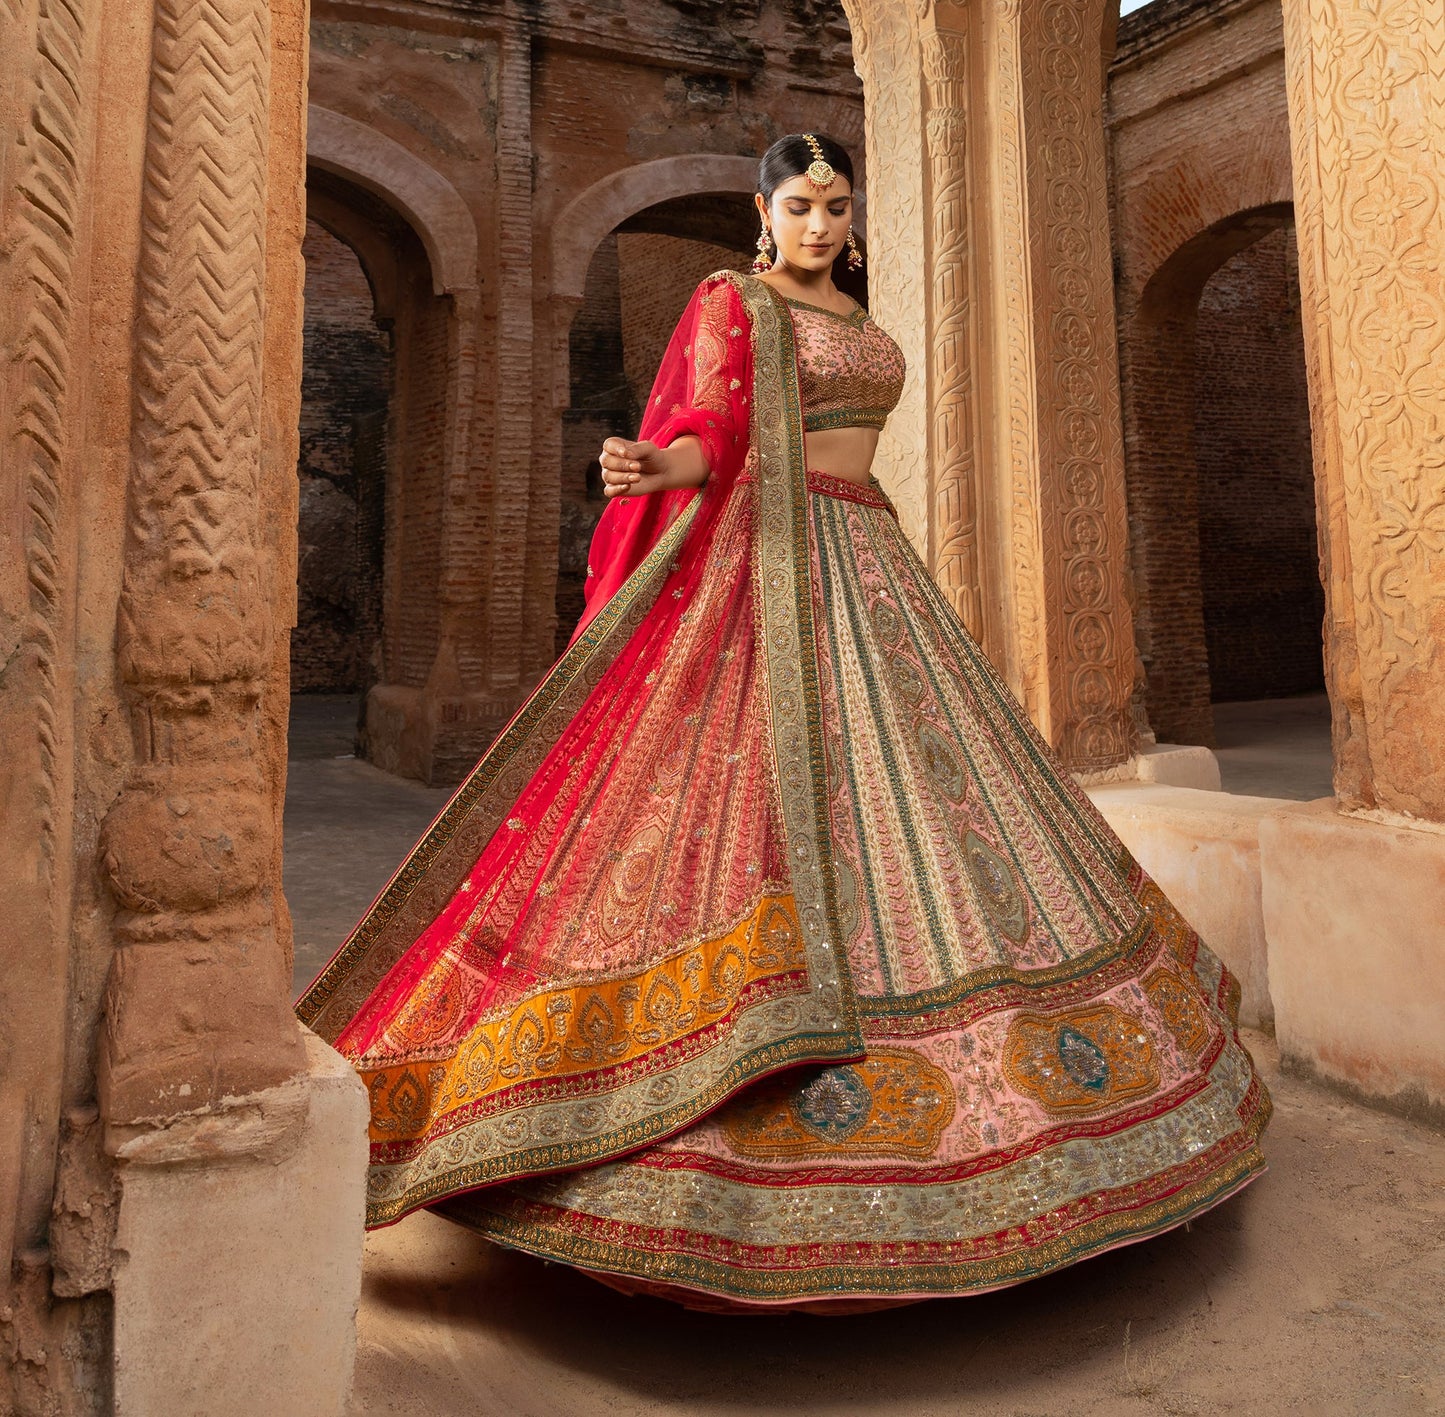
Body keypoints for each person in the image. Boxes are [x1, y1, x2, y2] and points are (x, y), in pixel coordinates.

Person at [298, 133, 1270, 1312]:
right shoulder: (734, 301)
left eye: (835, 205)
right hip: (775, 566)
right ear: (765, 212)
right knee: (746, 803)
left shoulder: (854, 315)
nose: (818, 224)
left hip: (874, 557)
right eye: (799, 204)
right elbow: (716, 429)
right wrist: (654, 465)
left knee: (936, 809)